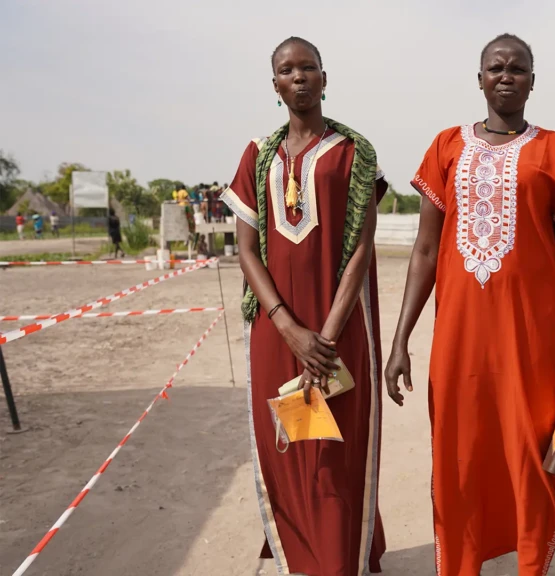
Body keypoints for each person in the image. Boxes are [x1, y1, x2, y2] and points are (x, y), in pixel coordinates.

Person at [385, 33, 555, 576]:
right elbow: (426, 252)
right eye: (495, 68)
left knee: (531, 457)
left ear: (533, 80)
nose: (506, 76)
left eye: (518, 69)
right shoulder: (445, 147)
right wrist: (400, 341)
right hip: (459, 340)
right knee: (459, 460)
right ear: (479, 78)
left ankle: (531, 565)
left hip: (533, 338)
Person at [221, 36, 389, 576]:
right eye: (287, 70)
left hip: (338, 329)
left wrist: (327, 337)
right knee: (289, 446)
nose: (299, 77)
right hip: (277, 329)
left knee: (335, 447)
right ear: (274, 85)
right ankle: (301, 557)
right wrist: (288, 328)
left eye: (308, 67)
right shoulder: (257, 154)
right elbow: (246, 250)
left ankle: (341, 560)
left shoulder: (353, 152)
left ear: (324, 77)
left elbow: (362, 247)